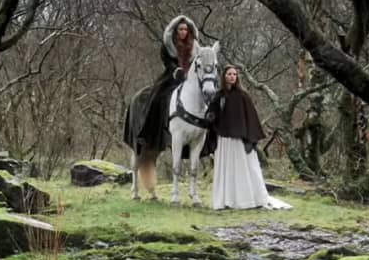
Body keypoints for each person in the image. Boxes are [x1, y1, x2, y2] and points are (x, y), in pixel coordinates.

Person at [209, 65, 291, 210]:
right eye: (229, 74)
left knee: (243, 168)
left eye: (234, 74)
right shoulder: (219, 95)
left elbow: (251, 118)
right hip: (224, 139)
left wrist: (249, 137)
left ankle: (245, 200)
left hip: (239, 139)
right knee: (227, 169)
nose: (232, 76)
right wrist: (210, 117)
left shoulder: (242, 96)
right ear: (224, 77)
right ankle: (227, 200)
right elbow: (212, 114)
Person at [123, 15, 201, 158]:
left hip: (190, 79)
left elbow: (198, 64)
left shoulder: (195, 47)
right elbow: (166, 60)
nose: (183, 32)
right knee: (157, 98)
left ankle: (209, 137)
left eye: (185, 29)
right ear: (176, 31)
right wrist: (176, 70)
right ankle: (148, 130)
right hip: (171, 77)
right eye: (180, 29)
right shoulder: (168, 44)